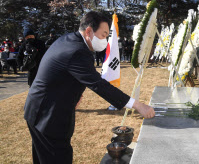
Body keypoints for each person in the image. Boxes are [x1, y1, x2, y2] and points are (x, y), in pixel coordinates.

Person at [24, 11, 155, 163]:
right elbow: (98, 85)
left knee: (43, 158)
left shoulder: (69, 39)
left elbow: (70, 74)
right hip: (48, 116)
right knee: (57, 157)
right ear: (88, 31)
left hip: (39, 109)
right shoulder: (77, 51)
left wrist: (76, 94)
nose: (105, 40)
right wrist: (137, 105)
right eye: (103, 35)